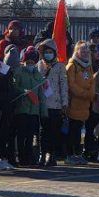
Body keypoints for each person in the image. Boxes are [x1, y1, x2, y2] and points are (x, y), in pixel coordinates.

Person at [11, 45, 46, 166]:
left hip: (34, 110)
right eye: (28, 61)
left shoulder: (37, 74)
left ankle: (29, 156)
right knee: (22, 135)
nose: (30, 64)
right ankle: (21, 157)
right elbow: (14, 87)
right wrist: (23, 91)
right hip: (22, 108)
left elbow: (42, 94)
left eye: (32, 62)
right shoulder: (19, 72)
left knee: (31, 136)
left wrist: (43, 112)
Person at [36, 39, 68, 167]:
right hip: (42, 104)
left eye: (50, 51)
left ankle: (52, 154)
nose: (48, 54)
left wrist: (65, 103)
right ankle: (42, 154)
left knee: (54, 131)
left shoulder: (60, 66)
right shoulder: (39, 65)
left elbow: (63, 85)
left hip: (56, 104)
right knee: (43, 131)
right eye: (45, 52)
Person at [65, 42, 96, 163]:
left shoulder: (88, 66)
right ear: (77, 52)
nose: (85, 53)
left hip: (84, 105)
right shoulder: (72, 66)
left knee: (78, 131)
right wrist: (84, 93)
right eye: (82, 50)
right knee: (72, 130)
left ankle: (77, 154)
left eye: (87, 51)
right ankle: (70, 154)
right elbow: (71, 85)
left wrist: (91, 94)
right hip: (74, 104)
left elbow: (92, 82)